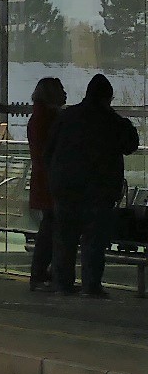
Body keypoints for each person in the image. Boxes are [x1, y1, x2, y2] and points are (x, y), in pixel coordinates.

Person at [48, 73, 140, 297]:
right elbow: (131, 145)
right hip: (98, 191)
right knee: (94, 239)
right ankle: (90, 285)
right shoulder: (112, 121)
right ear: (107, 97)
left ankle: (62, 283)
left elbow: (48, 149)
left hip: (66, 188)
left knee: (65, 238)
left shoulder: (67, 117)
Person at [26, 77, 68, 290]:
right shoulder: (51, 119)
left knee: (49, 227)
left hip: (44, 180)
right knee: (52, 228)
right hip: (54, 181)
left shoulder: (37, 117)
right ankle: (42, 272)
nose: (65, 93)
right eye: (61, 89)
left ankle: (43, 272)